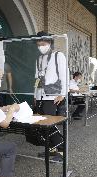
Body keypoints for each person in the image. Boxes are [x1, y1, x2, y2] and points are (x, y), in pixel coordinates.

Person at [34, 31, 67, 161]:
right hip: (41, 96)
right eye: (39, 44)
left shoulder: (58, 55)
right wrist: (35, 96)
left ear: (50, 43)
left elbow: (64, 74)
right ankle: (52, 149)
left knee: (50, 124)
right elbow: (37, 78)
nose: (41, 46)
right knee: (41, 124)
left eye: (44, 43)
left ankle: (62, 151)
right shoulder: (38, 59)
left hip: (53, 96)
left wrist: (62, 93)